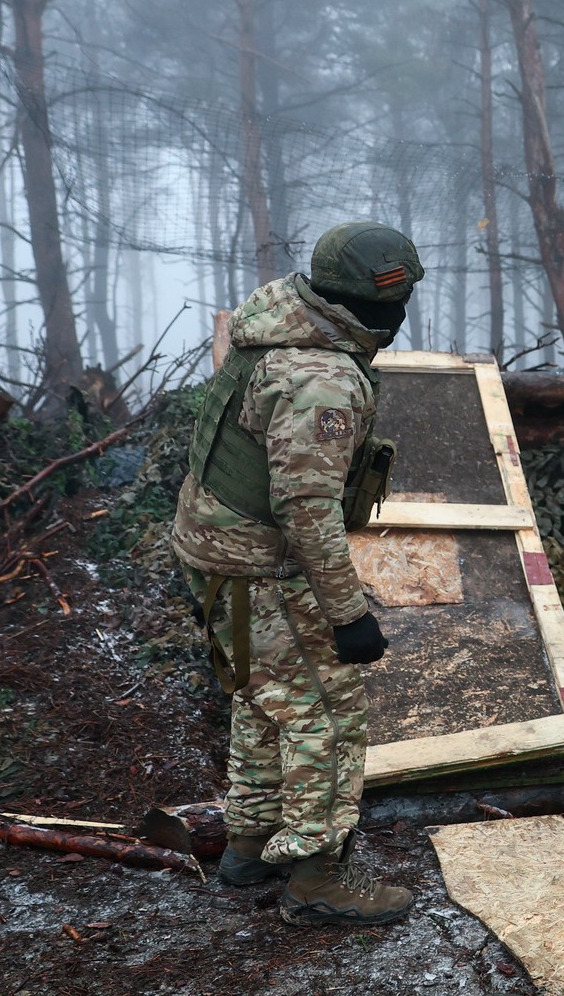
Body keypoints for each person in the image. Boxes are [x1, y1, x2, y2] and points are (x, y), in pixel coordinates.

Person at [172, 220, 423, 927]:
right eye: (393, 303)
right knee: (327, 714)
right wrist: (349, 615)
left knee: (265, 700)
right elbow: (306, 508)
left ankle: (250, 843)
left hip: (218, 555)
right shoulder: (319, 378)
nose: (398, 317)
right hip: (260, 566)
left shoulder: (279, 327)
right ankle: (317, 877)